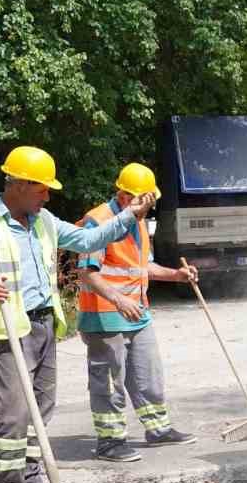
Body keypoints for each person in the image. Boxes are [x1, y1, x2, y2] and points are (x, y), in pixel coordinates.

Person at [0, 146, 155, 483]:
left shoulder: (42, 220)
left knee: (42, 407)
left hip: (45, 323)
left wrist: (130, 215)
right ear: (20, 184)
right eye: (42, 189)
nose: (48, 196)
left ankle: (27, 477)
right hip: (9, 325)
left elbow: (89, 240)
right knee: (13, 409)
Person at [75, 163, 199, 463]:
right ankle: (110, 441)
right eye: (143, 202)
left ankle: (158, 429)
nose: (148, 207)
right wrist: (119, 300)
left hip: (137, 311)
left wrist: (176, 275)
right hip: (105, 314)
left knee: (149, 373)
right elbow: (87, 274)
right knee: (108, 379)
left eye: (150, 202)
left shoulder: (141, 222)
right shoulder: (98, 221)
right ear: (123, 194)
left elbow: (143, 266)